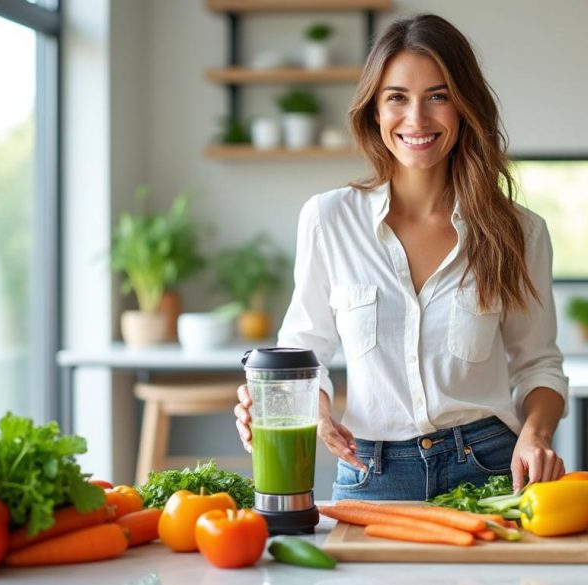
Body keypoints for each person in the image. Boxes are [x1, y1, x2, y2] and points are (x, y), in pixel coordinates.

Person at [234, 13, 568, 501]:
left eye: (438, 96)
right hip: (371, 473)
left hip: (489, 469)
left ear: (465, 106)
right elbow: (304, 351)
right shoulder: (329, 219)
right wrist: (310, 410)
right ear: (374, 110)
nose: (417, 119)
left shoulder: (520, 232)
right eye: (397, 98)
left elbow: (539, 364)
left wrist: (536, 434)